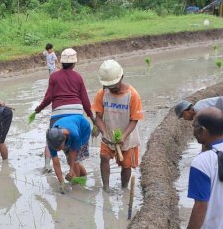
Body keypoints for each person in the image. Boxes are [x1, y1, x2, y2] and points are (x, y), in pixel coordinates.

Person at [34, 48, 95, 171]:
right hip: (76, 114)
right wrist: (91, 117)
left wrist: (39, 109)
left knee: (51, 139)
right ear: (74, 63)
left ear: (61, 62)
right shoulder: (78, 77)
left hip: (59, 113)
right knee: (74, 154)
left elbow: (49, 97)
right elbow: (85, 100)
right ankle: (77, 178)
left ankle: (47, 166)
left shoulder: (54, 76)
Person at [92, 59, 143, 192]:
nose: (112, 88)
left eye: (114, 85)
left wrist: (124, 136)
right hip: (108, 134)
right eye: (109, 86)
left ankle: (124, 188)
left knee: (126, 166)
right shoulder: (102, 94)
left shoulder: (133, 95)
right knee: (104, 157)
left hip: (128, 137)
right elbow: (98, 117)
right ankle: (106, 188)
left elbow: (134, 120)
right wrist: (104, 133)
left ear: (122, 77)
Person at [45, 115, 92, 194]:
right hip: (69, 127)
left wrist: (71, 171)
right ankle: (83, 176)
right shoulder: (52, 142)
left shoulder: (74, 135)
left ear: (64, 140)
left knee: (75, 161)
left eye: (60, 148)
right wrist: (62, 183)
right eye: (56, 149)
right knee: (70, 161)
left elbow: (73, 155)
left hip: (83, 130)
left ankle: (77, 185)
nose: (58, 150)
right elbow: (56, 163)